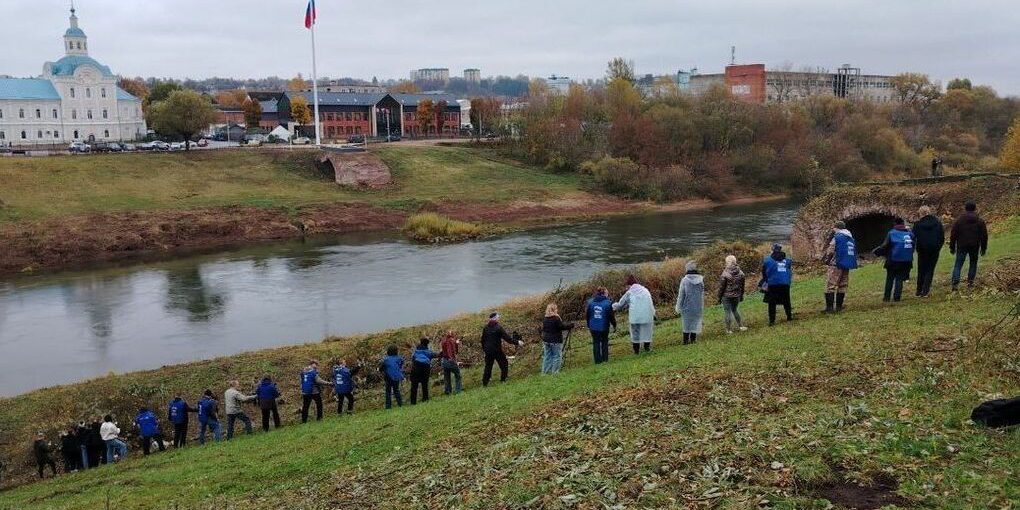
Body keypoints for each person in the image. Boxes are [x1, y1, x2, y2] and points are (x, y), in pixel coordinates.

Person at [873, 217, 914, 302]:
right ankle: (897, 297)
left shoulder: (892, 233)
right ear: (903, 224)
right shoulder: (909, 234)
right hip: (906, 260)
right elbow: (913, 246)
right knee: (899, 279)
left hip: (893, 259)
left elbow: (885, 245)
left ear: (895, 224)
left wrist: (876, 252)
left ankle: (887, 297)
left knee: (890, 278)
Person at [949, 201, 988, 290]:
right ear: (975, 209)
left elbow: (953, 234)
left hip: (962, 245)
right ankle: (970, 283)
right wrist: (983, 247)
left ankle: (955, 282)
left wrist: (952, 246)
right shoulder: (979, 221)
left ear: (965, 209)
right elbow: (984, 235)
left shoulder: (959, 220)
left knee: (958, 264)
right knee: (973, 263)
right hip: (975, 245)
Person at [613, 275, 656, 354]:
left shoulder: (629, 293)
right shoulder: (645, 290)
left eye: (627, 286)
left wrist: (611, 306)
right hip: (647, 315)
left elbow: (620, 305)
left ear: (629, 285)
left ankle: (636, 351)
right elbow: (651, 303)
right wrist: (653, 313)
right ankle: (647, 347)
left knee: (635, 332)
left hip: (635, 317)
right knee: (647, 331)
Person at [480, 312, 524, 386]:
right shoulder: (498, 328)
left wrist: (485, 349)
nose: (499, 318)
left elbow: (482, 340)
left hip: (488, 350)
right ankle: (503, 379)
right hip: (497, 350)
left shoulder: (486, 328)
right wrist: (518, 342)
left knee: (488, 366)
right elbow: (508, 339)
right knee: (504, 364)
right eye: (498, 317)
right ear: (494, 318)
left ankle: (485, 383)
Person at [823, 221, 858, 312]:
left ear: (837, 228)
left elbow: (831, 250)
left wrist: (826, 260)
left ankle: (829, 308)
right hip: (846, 264)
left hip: (835, 264)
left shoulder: (837, 237)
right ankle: (839, 307)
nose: (833, 230)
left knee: (830, 285)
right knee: (843, 285)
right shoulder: (850, 237)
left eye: (834, 228)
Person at [912, 206, 945, 297]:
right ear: (929, 212)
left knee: (921, 269)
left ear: (920, 213)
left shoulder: (917, 224)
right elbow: (941, 236)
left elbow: (913, 237)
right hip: (934, 249)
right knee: (930, 269)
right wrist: (938, 246)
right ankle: (925, 291)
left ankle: (919, 290)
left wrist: (915, 248)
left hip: (922, 249)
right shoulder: (937, 223)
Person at [761, 244, 794, 326]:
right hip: (785, 282)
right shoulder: (788, 260)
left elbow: (764, 272)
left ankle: (772, 320)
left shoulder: (767, 260)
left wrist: (766, 281)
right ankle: (789, 316)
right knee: (787, 300)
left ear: (772, 250)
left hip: (773, 283)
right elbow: (789, 269)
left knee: (771, 302)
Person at [675, 261, 705, 345]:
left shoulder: (684, 280)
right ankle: (693, 339)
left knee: (686, 323)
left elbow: (681, 295)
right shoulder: (701, 280)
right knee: (695, 322)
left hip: (687, 306)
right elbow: (702, 293)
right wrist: (701, 305)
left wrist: (678, 307)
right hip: (698, 305)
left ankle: (685, 341)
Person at [585, 287, 617, 364]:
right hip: (604, 326)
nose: (608, 294)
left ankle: (597, 361)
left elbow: (587, 315)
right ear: (604, 293)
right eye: (607, 293)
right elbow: (611, 316)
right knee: (604, 342)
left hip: (593, 326)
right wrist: (614, 325)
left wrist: (589, 324)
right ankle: (605, 359)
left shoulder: (591, 302)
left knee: (595, 342)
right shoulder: (608, 303)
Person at [541, 303, 575, 374]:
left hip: (546, 340)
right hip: (555, 340)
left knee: (547, 356)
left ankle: (545, 372)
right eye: (556, 308)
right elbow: (562, 326)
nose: (557, 310)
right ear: (554, 310)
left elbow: (544, 328)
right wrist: (570, 325)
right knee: (557, 356)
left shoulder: (545, 318)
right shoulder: (556, 318)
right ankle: (555, 372)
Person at [717, 256, 747, 334]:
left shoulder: (725, 273)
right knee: (735, 310)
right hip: (736, 295)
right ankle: (741, 326)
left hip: (726, 296)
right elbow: (742, 286)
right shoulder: (741, 273)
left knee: (727, 312)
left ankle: (728, 330)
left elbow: (721, 288)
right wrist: (741, 295)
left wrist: (719, 298)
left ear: (727, 262)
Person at [410, 338, 439, 404]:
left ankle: (413, 402)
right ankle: (425, 399)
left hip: (416, 367)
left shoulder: (416, 352)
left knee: (414, 385)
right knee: (424, 384)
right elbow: (436, 355)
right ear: (427, 344)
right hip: (426, 367)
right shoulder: (429, 352)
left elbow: (413, 359)